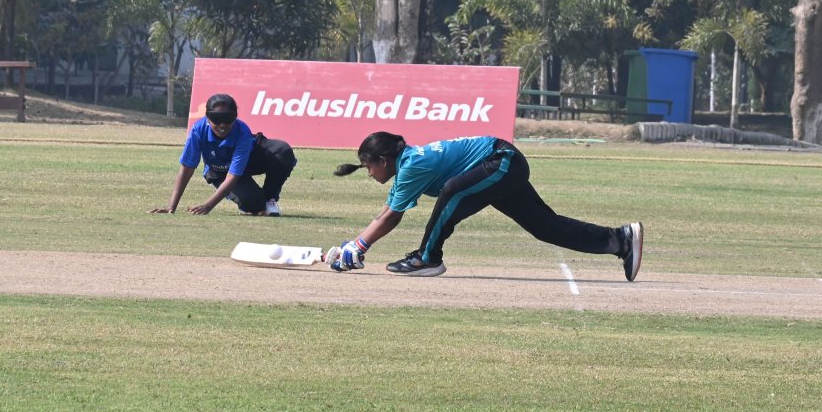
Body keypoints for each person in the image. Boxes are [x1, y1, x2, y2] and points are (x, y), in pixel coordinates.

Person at [327, 132, 643, 280]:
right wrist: (355, 245)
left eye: (369, 167)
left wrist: (360, 246)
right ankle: (621, 240)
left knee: (451, 192)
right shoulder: (407, 166)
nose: (369, 173)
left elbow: (393, 217)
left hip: (501, 161)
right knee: (544, 227)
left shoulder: (412, 167)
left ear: (384, 161)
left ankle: (428, 258)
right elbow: (385, 213)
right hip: (501, 165)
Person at [149, 93, 297, 216]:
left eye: (227, 119)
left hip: (248, 161)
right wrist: (171, 207)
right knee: (255, 204)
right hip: (220, 172)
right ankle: (259, 203)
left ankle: (269, 200)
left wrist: (208, 206)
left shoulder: (242, 131)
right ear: (207, 117)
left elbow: (234, 175)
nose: (222, 125)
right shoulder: (198, 130)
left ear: (235, 117)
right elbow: (186, 169)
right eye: (216, 119)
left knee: (282, 151)